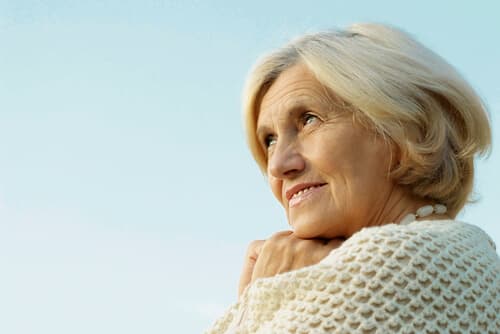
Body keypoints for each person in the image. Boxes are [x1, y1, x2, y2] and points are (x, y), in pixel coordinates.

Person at [207, 23, 500, 333]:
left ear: (402, 129)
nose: (278, 165)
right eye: (269, 140)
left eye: (309, 120)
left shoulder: (393, 268)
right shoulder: (467, 256)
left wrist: (261, 301)